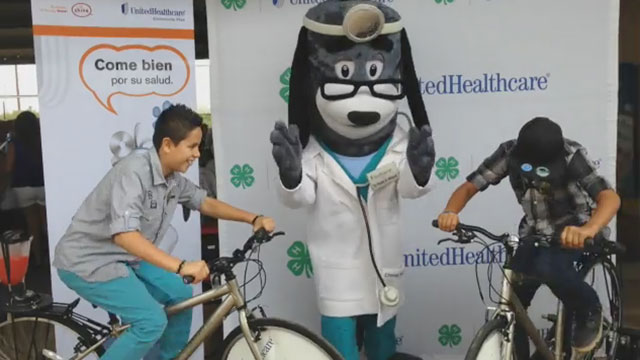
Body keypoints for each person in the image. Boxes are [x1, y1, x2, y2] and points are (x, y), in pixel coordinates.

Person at [53, 104, 275, 360]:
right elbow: (125, 236)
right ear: (168, 145)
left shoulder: (172, 179)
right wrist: (181, 266)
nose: (197, 154)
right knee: (150, 322)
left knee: (180, 293)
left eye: (198, 146)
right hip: (87, 261)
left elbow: (203, 201)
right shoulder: (133, 171)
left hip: (126, 259)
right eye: (192, 146)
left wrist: (253, 218)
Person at [436, 117, 620, 357]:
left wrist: (588, 229)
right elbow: (470, 186)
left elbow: (609, 197)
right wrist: (450, 211)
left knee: (549, 268)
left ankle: (589, 309)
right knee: (515, 296)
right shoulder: (509, 153)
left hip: (574, 230)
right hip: (533, 233)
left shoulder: (570, 155)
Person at [5, 111, 47, 265]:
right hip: (44, 185)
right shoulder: (43, 138)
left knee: (32, 224)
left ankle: (37, 258)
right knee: (46, 222)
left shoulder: (14, 142)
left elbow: (9, 167)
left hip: (22, 188)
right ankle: (53, 255)